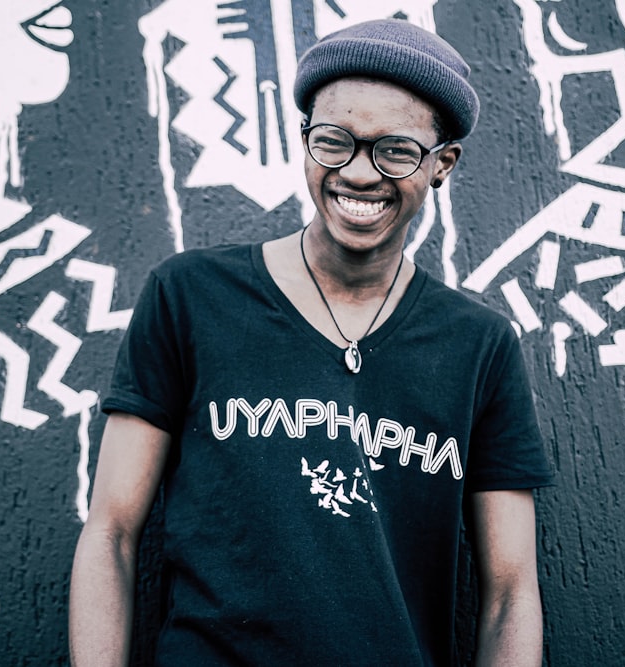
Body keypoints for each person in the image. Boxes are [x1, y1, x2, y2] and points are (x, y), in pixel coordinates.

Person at [69, 18, 554, 666]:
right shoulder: (189, 297)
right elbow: (111, 531)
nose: (358, 173)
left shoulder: (479, 345)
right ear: (303, 141)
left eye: (396, 151)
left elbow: (510, 591)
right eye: (334, 142)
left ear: (442, 164)